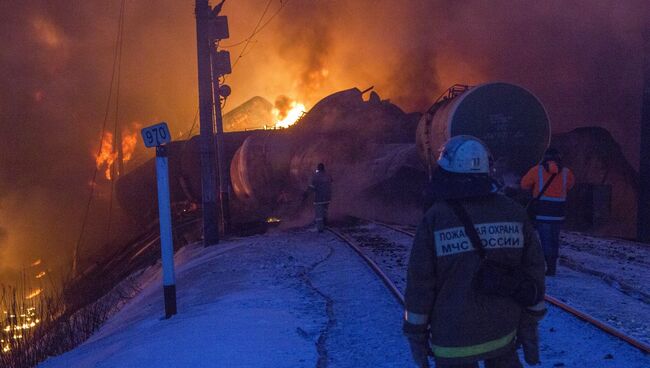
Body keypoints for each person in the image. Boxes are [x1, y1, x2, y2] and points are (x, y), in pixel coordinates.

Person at [403, 135, 546, 368]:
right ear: (488, 170)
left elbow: (420, 283)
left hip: (452, 340)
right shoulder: (514, 212)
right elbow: (534, 271)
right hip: (503, 332)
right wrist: (530, 326)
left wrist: (415, 335)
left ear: (445, 171)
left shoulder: (436, 218)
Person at [520, 147, 575, 276]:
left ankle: (547, 267)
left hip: (542, 212)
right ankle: (552, 266)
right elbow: (570, 185)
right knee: (554, 240)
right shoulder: (567, 172)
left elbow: (524, 184)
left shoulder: (536, 170)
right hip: (558, 214)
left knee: (544, 240)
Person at [303, 163, 332, 232]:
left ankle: (320, 228)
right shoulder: (328, 175)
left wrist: (306, 194)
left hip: (319, 198)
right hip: (327, 197)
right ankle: (326, 224)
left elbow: (311, 187)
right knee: (325, 212)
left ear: (318, 168)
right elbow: (331, 181)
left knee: (319, 215)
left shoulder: (315, 176)